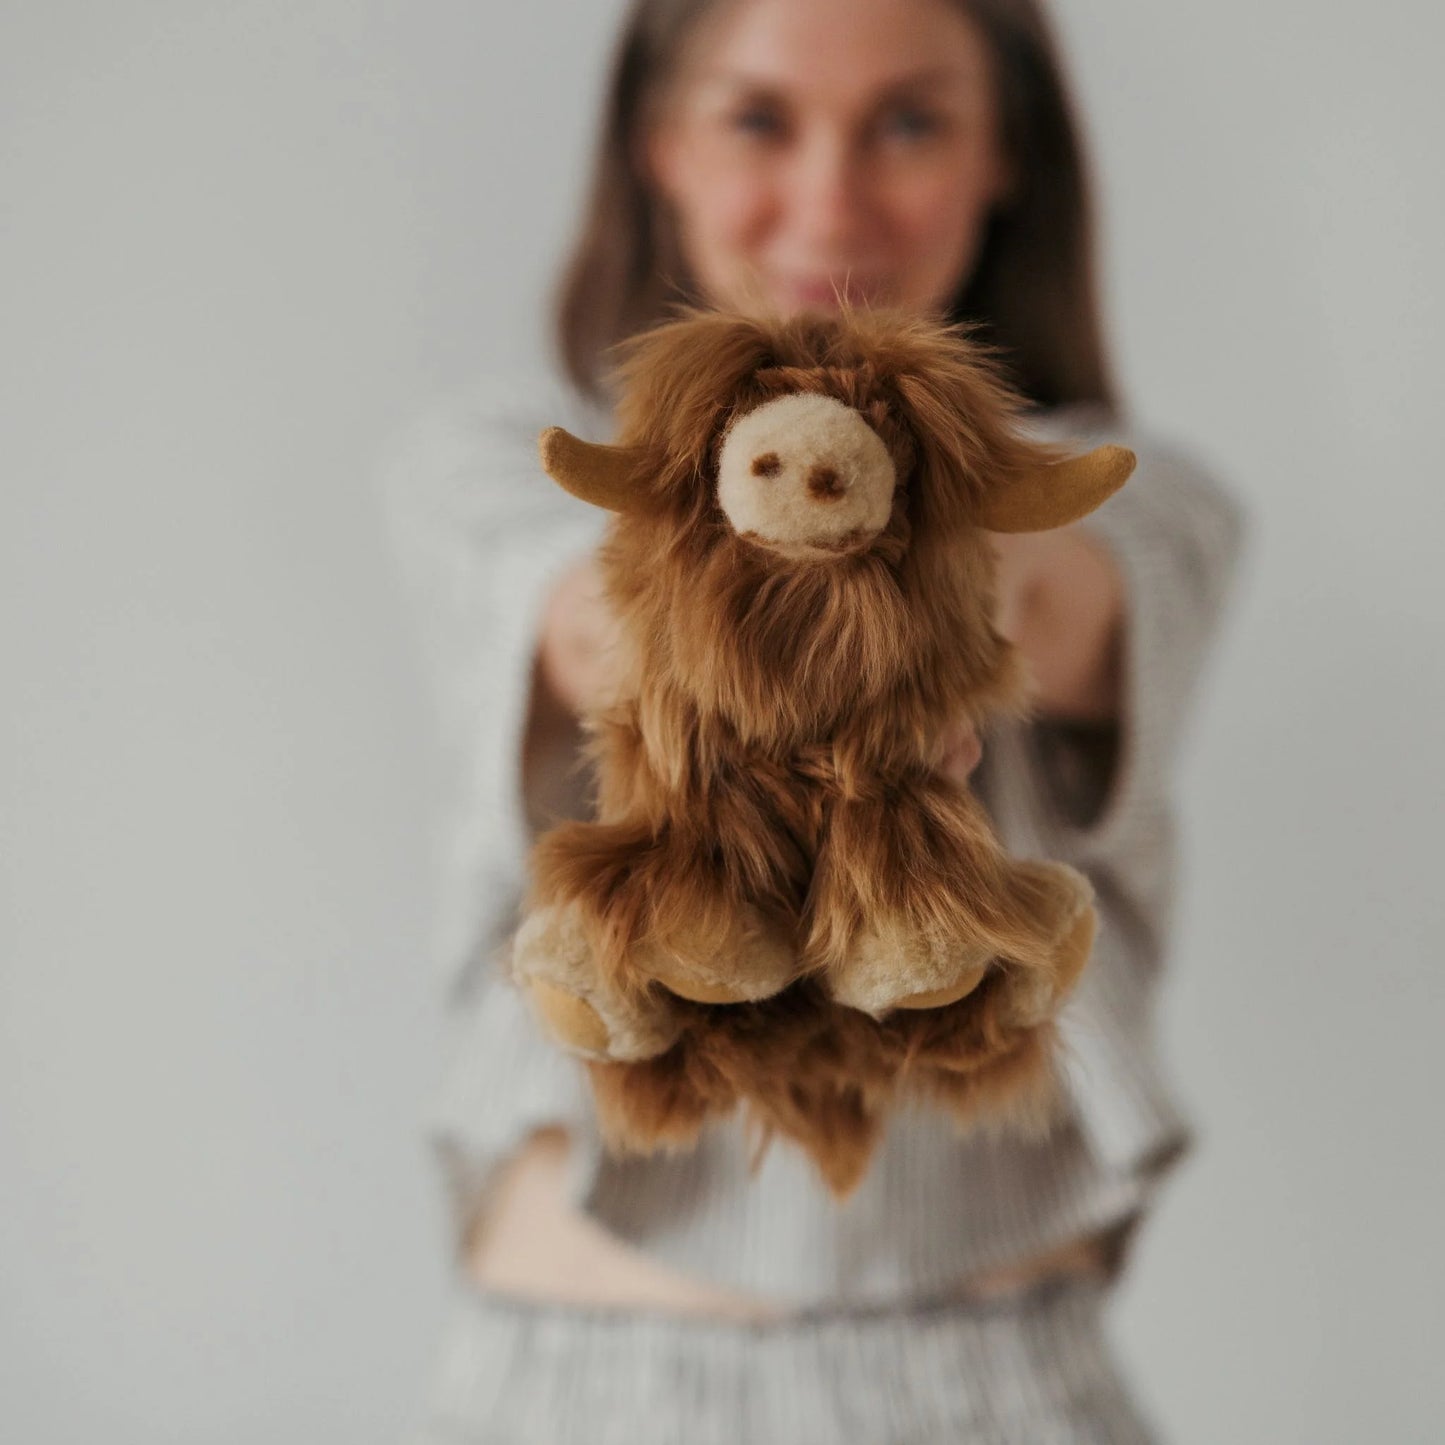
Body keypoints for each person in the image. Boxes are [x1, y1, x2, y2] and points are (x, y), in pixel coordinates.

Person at [381, 0, 1247, 1439]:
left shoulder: (1145, 497)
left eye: (910, 122)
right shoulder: (496, 465)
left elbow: (1039, 592)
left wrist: (922, 595)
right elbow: (591, 622)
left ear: (1004, 155)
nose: (832, 203)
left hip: (994, 1382)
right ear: (658, 144)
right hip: (574, 1378)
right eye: (758, 119)